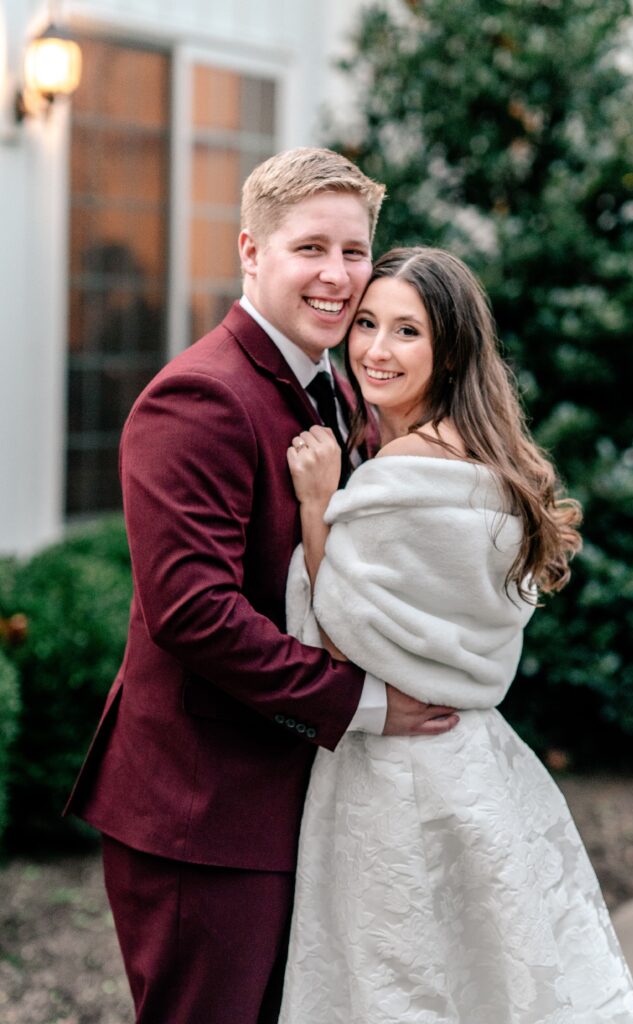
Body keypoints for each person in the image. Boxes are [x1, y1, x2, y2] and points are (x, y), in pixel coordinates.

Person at [64, 152, 460, 1024]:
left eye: (354, 251)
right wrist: (362, 703)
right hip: (203, 816)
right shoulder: (201, 398)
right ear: (251, 250)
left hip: (294, 802)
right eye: (309, 247)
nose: (337, 275)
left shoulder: (335, 389)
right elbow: (193, 614)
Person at [280, 247, 633, 1023]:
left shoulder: (398, 477)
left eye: (406, 331)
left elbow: (344, 631)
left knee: (397, 983)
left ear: (448, 350)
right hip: (477, 762)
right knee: (481, 981)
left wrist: (317, 505)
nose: (376, 349)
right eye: (367, 323)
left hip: (395, 771)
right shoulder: (489, 463)